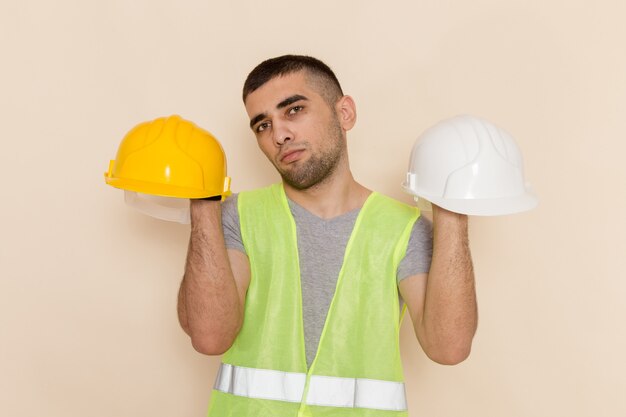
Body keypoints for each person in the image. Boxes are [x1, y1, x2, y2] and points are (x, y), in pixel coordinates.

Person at [177, 55, 477, 417]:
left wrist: (452, 211)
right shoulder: (235, 217)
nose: (279, 135)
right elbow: (210, 337)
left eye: (294, 110)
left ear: (345, 113)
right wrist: (203, 203)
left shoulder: (404, 229)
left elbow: (449, 347)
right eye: (262, 125)